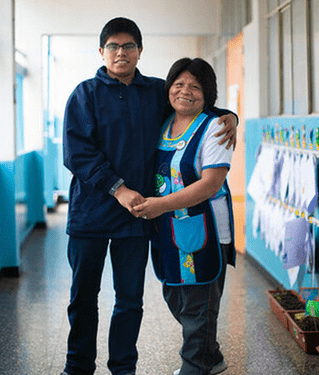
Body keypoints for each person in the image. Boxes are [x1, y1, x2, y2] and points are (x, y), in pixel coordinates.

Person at [61, 18, 238, 375]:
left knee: (129, 300)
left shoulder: (155, 92)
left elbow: (192, 104)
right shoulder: (85, 94)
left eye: (128, 46)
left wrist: (230, 116)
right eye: (113, 46)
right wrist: (119, 189)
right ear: (101, 52)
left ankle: (123, 368)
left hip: (136, 219)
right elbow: (77, 153)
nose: (120, 52)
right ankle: (77, 367)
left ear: (140, 51)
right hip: (90, 215)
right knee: (83, 298)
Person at [132, 58, 235, 375]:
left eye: (195, 86)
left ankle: (196, 365)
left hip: (203, 230)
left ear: (208, 94)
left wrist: (159, 205)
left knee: (198, 301)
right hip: (167, 230)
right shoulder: (164, 123)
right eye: (178, 84)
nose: (185, 91)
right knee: (175, 294)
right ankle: (211, 355)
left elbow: (211, 183)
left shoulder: (215, 127)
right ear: (169, 89)